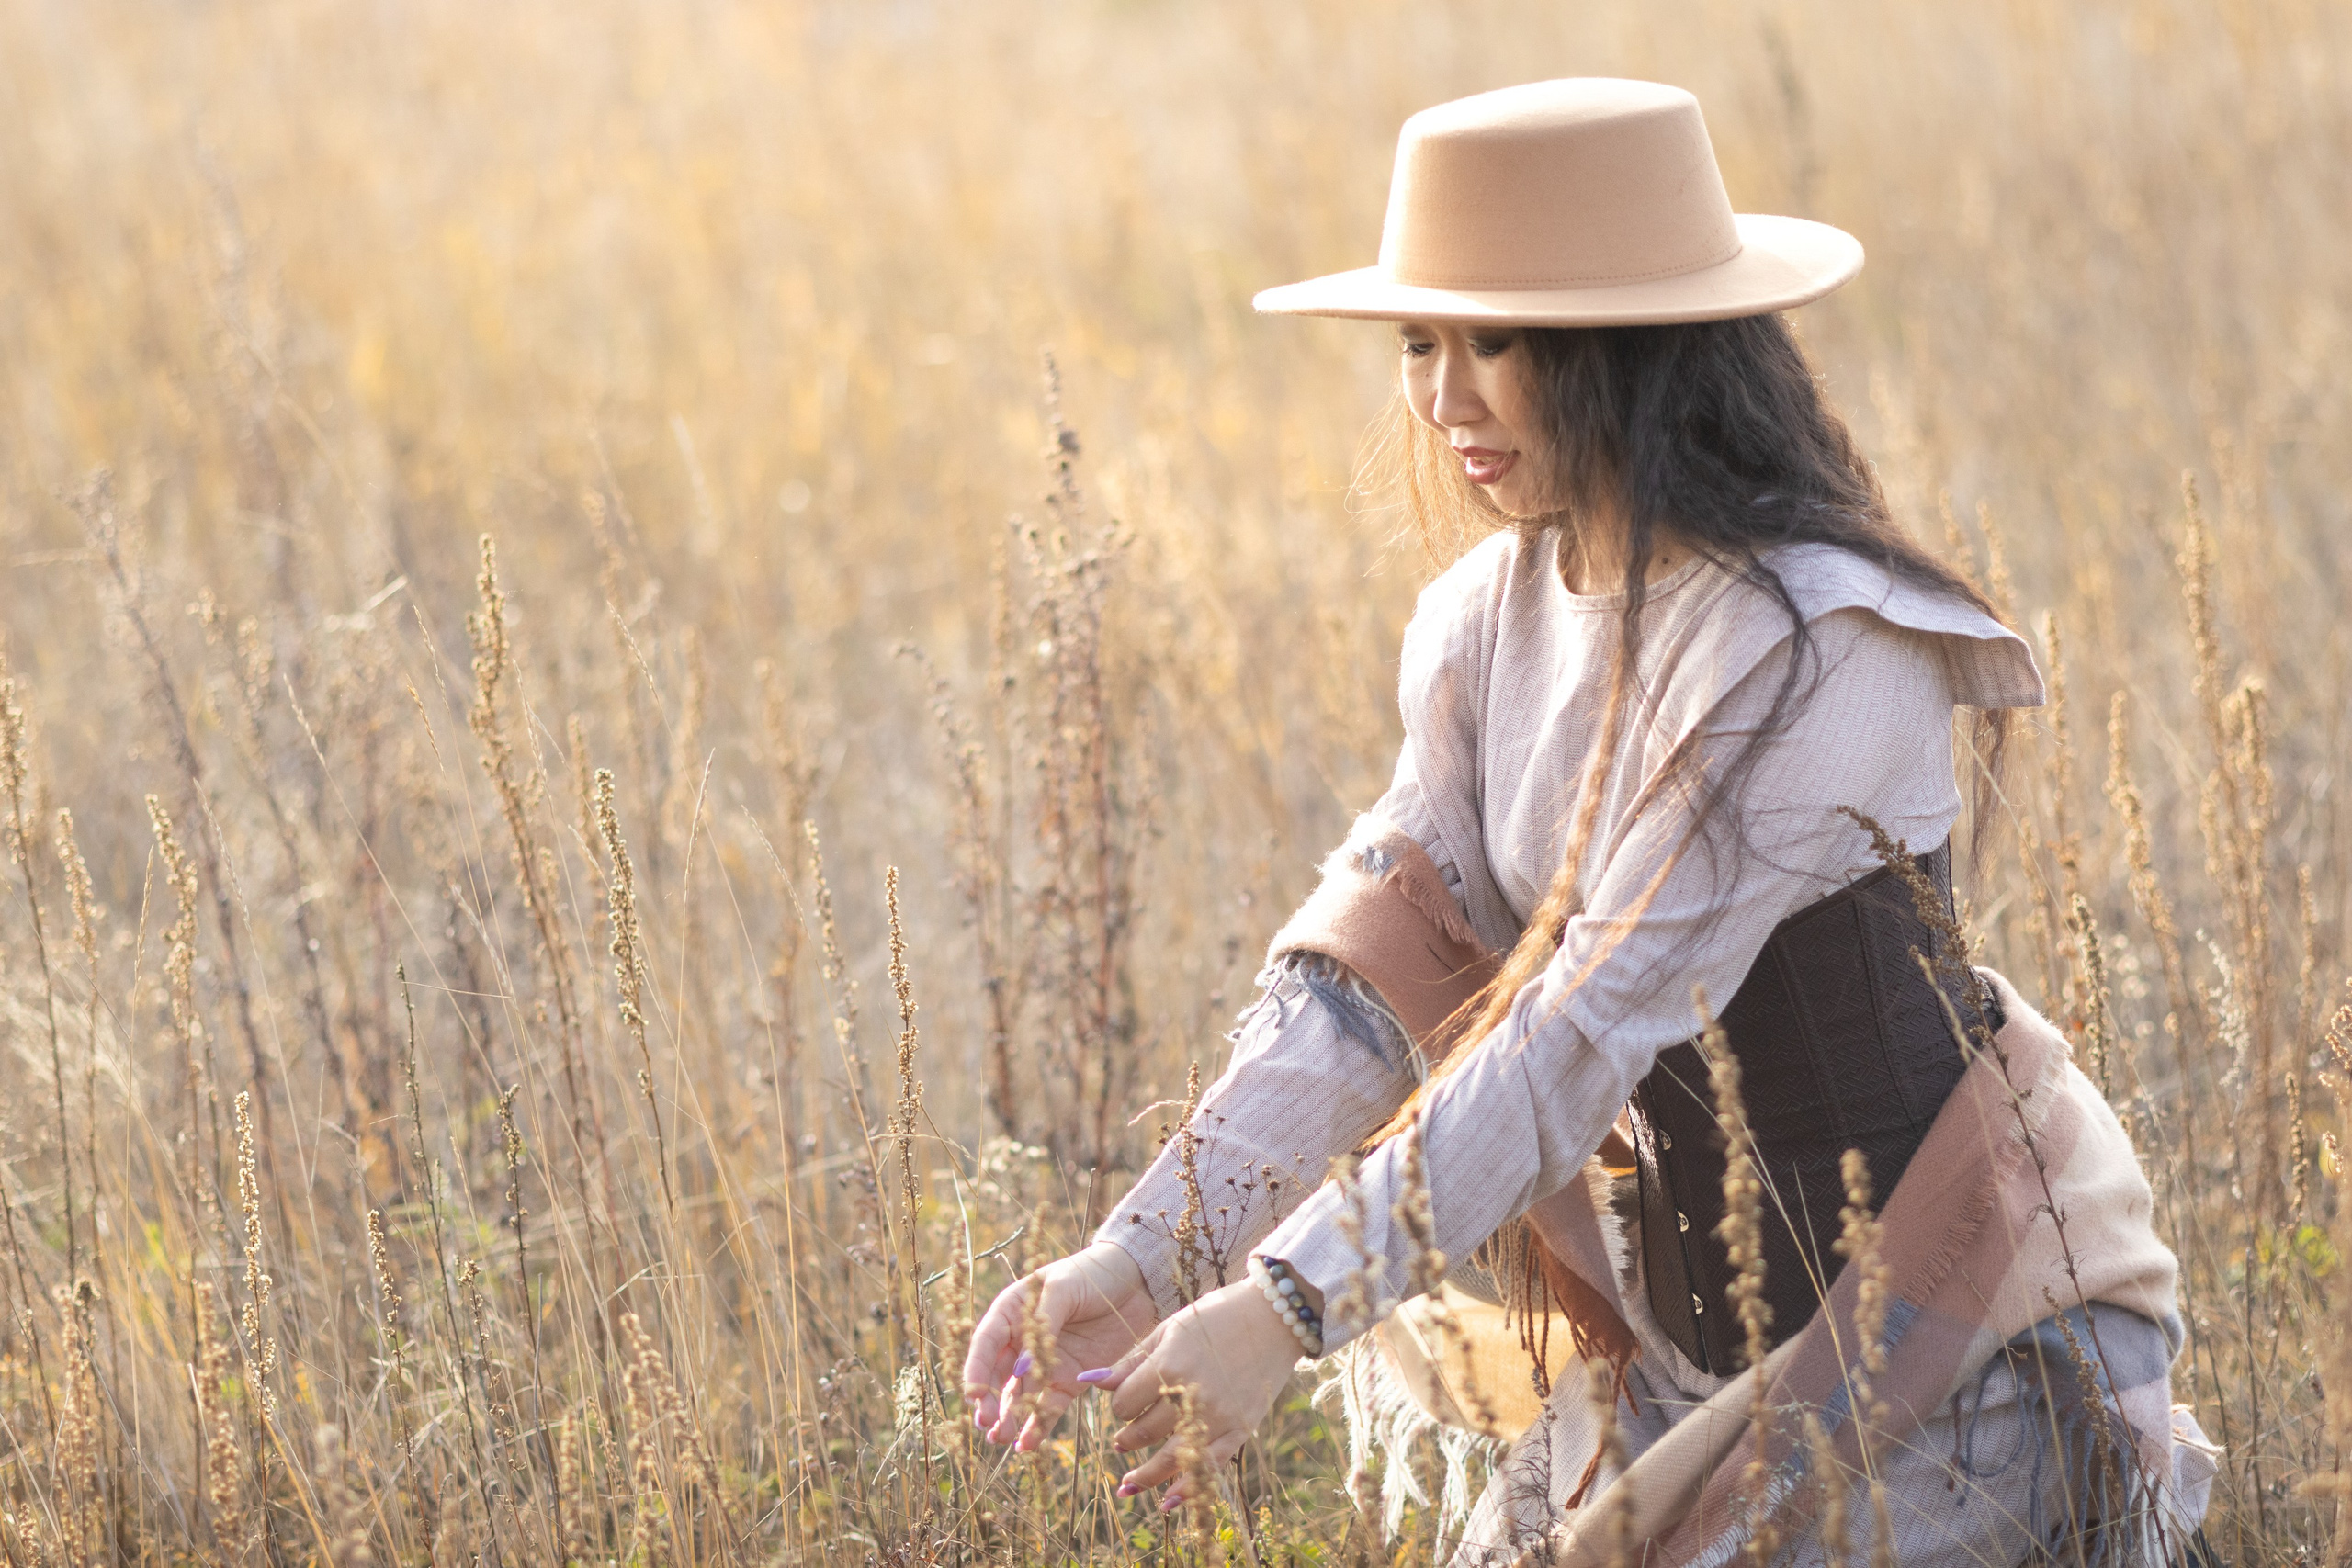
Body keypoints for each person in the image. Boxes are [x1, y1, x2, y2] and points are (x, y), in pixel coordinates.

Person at [961, 78, 2217, 1565]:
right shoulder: (1482, 620)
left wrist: (1286, 1309)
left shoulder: (1819, 647)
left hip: (1946, 1346)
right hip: (1675, 1369)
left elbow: (1580, 1027)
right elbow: (1370, 981)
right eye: (1418, 343)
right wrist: (1148, 1257)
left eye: (1495, 342)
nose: (1444, 399)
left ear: (1643, 348)